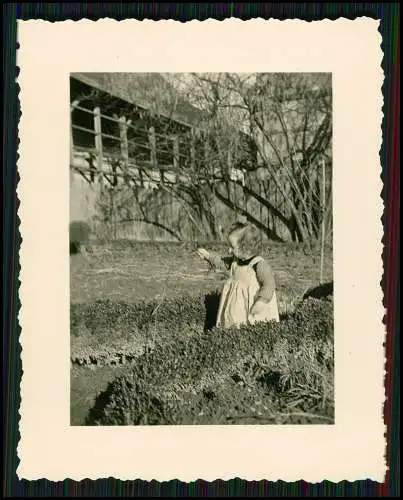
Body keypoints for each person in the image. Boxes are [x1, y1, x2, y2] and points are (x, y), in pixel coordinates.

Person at [197, 221, 280, 329]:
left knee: (253, 326)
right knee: (233, 324)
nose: (229, 250)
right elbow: (222, 263)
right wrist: (208, 257)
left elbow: (269, 283)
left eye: (232, 247)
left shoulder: (258, 264)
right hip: (236, 305)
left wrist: (261, 301)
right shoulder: (236, 261)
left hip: (252, 305)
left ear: (245, 247)